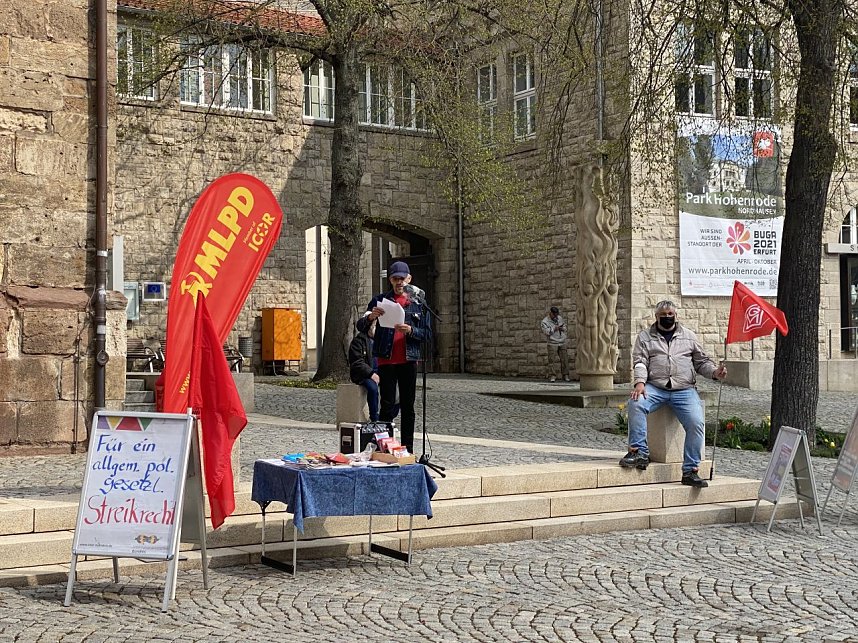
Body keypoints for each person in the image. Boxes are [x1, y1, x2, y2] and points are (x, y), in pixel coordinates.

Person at [620, 300, 727, 488]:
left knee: (696, 422)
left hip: (684, 389)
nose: (668, 317)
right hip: (655, 386)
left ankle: (690, 470)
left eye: (671, 314)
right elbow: (640, 362)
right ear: (656, 317)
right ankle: (639, 452)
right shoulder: (645, 337)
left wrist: (715, 373)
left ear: (676, 316)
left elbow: (702, 362)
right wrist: (639, 383)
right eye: (664, 315)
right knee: (636, 403)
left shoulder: (689, 336)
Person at [357, 260, 430, 453]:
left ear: (409, 279)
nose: (399, 282)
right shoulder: (380, 300)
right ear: (390, 280)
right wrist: (371, 317)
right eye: (395, 278)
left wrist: (411, 330)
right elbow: (361, 326)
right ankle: (385, 448)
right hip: (386, 359)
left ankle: (407, 449)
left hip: (408, 360)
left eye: (402, 279)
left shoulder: (418, 302)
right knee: (387, 405)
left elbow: (428, 333)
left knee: (408, 406)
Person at [348, 319, 380, 422]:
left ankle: (389, 416)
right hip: (364, 375)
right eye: (374, 326)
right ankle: (374, 417)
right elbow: (357, 362)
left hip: (380, 371)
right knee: (373, 388)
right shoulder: (358, 342)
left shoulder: (380, 341)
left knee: (395, 392)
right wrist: (371, 373)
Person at [540, 306, 570, 382]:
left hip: (562, 341)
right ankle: (553, 376)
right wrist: (554, 328)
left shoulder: (559, 318)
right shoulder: (545, 321)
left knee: (565, 359)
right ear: (551, 313)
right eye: (554, 314)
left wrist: (562, 328)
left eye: (557, 314)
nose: (556, 316)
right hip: (552, 343)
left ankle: (565, 375)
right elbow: (546, 332)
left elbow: (565, 328)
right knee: (552, 361)